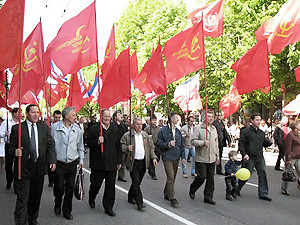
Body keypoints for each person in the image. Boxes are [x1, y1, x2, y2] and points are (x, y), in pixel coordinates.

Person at [10, 104, 56, 225]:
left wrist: (52, 160)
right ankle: (20, 221)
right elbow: (9, 148)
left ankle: (33, 218)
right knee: (23, 198)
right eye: (33, 112)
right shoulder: (17, 128)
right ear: (27, 113)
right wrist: (15, 151)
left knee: (35, 196)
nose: (36, 115)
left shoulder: (44, 128)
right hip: (24, 167)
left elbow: (50, 145)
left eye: (37, 112)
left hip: (39, 167)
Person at [51, 106, 84, 220]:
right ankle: (57, 202)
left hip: (72, 162)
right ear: (66, 116)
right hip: (59, 162)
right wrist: (51, 160)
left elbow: (80, 146)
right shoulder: (54, 128)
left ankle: (67, 210)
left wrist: (81, 160)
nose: (75, 117)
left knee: (70, 187)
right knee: (59, 187)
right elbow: (51, 146)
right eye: (73, 115)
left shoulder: (77, 129)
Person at [87, 109, 122, 217]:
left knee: (110, 186)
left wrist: (119, 161)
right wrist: (97, 141)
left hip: (111, 162)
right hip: (98, 163)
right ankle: (92, 196)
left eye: (108, 116)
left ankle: (108, 206)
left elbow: (118, 146)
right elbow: (87, 142)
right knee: (96, 184)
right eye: (105, 116)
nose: (107, 119)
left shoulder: (115, 129)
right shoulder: (94, 129)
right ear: (101, 117)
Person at [120, 117, 157, 211]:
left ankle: (130, 196)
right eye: (137, 124)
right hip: (133, 162)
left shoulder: (145, 135)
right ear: (133, 125)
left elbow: (151, 147)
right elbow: (121, 146)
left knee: (138, 182)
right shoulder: (127, 136)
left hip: (143, 162)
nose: (139, 126)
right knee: (136, 181)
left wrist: (153, 158)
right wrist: (127, 148)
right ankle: (139, 202)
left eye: (140, 124)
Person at [236, 113, 273, 201]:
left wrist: (270, 142)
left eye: (260, 120)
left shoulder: (261, 133)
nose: (259, 121)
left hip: (259, 156)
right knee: (246, 174)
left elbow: (264, 143)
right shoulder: (246, 131)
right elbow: (241, 144)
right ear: (252, 121)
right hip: (249, 157)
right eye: (257, 120)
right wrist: (244, 154)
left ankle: (263, 193)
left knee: (263, 173)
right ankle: (237, 188)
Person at [189, 111, 219, 205]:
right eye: (208, 116)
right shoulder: (198, 128)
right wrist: (202, 143)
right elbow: (192, 141)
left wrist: (217, 156)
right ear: (204, 118)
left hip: (211, 158)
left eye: (212, 117)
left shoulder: (214, 129)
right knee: (201, 177)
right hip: (201, 157)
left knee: (211, 180)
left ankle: (208, 197)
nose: (210, 118)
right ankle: (193, 188)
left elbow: (216, 144)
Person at [157, 112, 185, 208]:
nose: (178, 119)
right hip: (167, 157)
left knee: (172, 178)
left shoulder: (178, 131)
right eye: (177, 118)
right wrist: (168, 144)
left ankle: (166, 192)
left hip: (176, 157)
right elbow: (159, 143)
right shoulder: (163, 130)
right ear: (172, 119)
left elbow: (181, 145)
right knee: (171, 176)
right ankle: (173, 198)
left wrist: (183, 157)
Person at [0, 107, 20, 190]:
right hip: (9, 145)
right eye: (19, 112)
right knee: (8, 165)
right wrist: (5, 133)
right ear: (14, 113)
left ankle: (17, 182)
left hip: (18, 146)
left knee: (18, 165)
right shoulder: (6, 122)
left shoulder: (21, 123)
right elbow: (0, 133)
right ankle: (9, 180)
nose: (20, 114)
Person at [281, 120, 300, 195]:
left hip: (298, 156)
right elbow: (288, 147)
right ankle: (284, 189)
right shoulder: (291, 135)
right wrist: (288, 158)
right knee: (288, 173)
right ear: (295, 126)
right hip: (292, 156)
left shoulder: (298, 134)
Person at [111, 110, 128, 182]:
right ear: (115, 117)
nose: (121, 116)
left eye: (121, 115)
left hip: (122, 145)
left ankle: (121, 175)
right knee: (114, 160)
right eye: (118, 115)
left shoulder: (124, 126)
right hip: (114, 145)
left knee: (122, 161)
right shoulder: (112, 125)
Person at [47, 110, 62, 188]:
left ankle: (57, 180)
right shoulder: (49, 125)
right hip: (51, 148)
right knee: (50, 166)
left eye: (59, 117)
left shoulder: (62, 125)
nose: (57, 119)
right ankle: (51, 181)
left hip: (59, 148)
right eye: (56, 117)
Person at [144, 115, 161, 180]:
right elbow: (144, 136)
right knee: (152, 159)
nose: (155, 121)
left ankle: (150, 168)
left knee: (157, 158)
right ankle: (153, 173)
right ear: (150, 121)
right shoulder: (147, 128)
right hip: (150, 145)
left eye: (155, 120)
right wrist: (148, 137)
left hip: (157, 145)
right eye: (153, 120)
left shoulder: (159, 128)